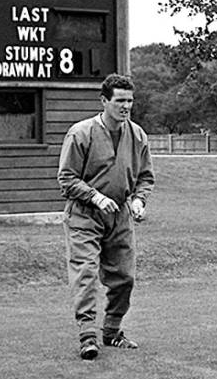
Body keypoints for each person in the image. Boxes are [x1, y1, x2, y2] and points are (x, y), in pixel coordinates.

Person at [58, 74, 155, 360]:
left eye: (130, 101)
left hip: (120, 214)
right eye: (120, 101)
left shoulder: (138, 135)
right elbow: (66, 177)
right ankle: (88, 335)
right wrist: (95, 196)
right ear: (104, 101)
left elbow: (146, 176)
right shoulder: (81, 133)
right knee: (86, 273)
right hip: (85, 214)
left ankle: (112, 331)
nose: (126, 106)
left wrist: (139, 200)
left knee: (124, 275)